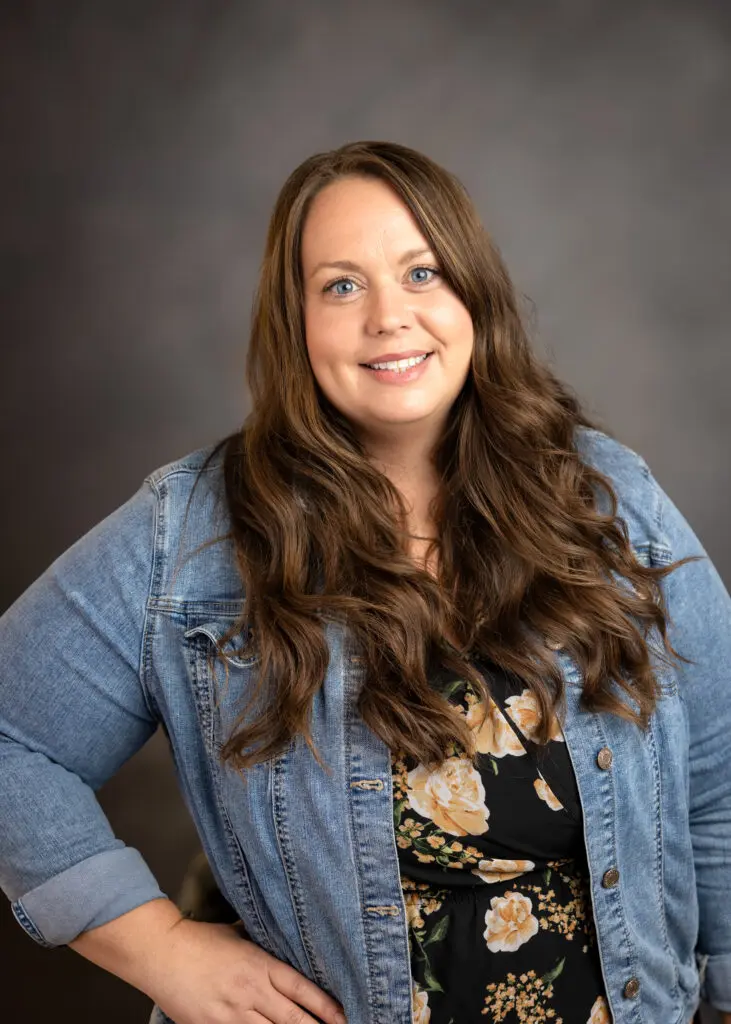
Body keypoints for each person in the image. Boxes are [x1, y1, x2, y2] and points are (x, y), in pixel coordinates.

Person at [0, 140, 728, 1024]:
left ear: (472, 295)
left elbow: (717, 777)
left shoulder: (609, 497)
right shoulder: (188, 531)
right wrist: (157, 947)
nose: (389, 317)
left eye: (421, 273)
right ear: (295, 320)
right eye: (341, 286)